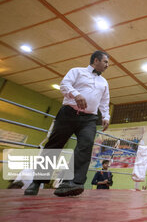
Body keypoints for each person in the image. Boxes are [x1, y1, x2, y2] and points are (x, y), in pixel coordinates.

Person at [25, 51, 110, 197]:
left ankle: (71, 183)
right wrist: (76, 94)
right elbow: (64, 85)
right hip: (69, 113)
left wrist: (106, 116)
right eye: (105, 62)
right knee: (54, 146)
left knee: (86, 144)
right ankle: (36, 182)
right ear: (96, 60)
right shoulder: (77, 71)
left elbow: (104, 101)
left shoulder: (104, 82)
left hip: (89, 119)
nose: (107, 65)